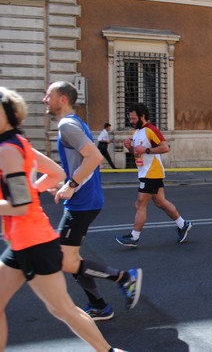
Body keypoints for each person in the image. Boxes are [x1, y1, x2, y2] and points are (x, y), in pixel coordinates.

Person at [0, 86, 126, 352]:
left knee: (63, 310)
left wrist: (33, 195)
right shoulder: (18, 144)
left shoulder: (8, 150)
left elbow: (20, 206)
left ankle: (109, 350)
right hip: (21, 240)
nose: (45, 99)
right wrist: (32, 192)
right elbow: (55, 172)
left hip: (32, 242)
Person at [43, 81, 141, 321]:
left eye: (49, 95)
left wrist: (71, 185)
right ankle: (98, 305)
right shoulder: (75, 123)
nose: (45, 99)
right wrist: (61, 184)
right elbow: (80, 163)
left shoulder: (67, 125)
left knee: (66, 259)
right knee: (71, 258)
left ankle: (125, 278)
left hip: (83, 202)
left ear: (63, 98)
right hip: (86, 199)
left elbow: (95, 157)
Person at [116, 102, 192, 247]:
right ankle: (183, 224)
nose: (131, 121)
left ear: (142, 116)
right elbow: (138, 152)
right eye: (130, 119)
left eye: (133, 119)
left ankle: (134, 237)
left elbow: (165, 147)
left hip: (152, 172)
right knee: (160, 202)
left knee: (140, 203)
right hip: (145, 171)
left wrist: (147, 150)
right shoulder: (136, 132)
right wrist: (130, 148)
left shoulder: (151, 130)